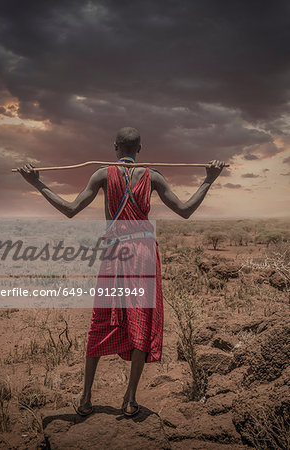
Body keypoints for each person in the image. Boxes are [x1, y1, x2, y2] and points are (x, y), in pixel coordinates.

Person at [18, 126, 225, 416]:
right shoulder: (153, 176)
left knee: (101, 318)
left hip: (115, 252)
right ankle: (129, 400)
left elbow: (70, 209)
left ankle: (86, 398)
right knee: (140, 319)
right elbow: (186, 210)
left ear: (116, 147)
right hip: (142, 254)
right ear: (140, 149)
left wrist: (36, 183)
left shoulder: (102, 174)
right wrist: (209, 180)